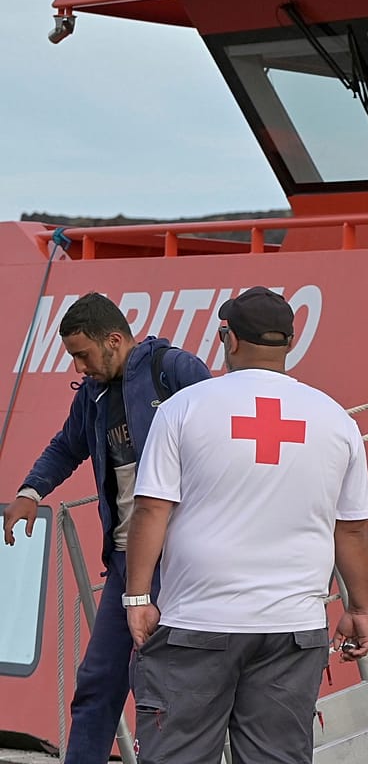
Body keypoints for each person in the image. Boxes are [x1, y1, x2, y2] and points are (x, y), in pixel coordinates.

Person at [123, 287, 368, 764]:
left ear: (228, 339)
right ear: (289, 345)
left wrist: (137, 598)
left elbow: (152, 509)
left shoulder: (184, 408)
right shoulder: (336, 421)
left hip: (197, 624)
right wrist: (359, 607)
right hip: (292, 630)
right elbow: (352, 531)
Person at [2, 293, 209, 764]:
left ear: (113, 340)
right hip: (125, 565)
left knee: (162, 686)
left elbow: (223, 437)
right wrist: (30, 493)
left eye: (83, 354)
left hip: (184, 562)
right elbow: (65, 447)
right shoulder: (93, 396)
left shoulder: (175, 371)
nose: (79, 366)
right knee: (98, 680)